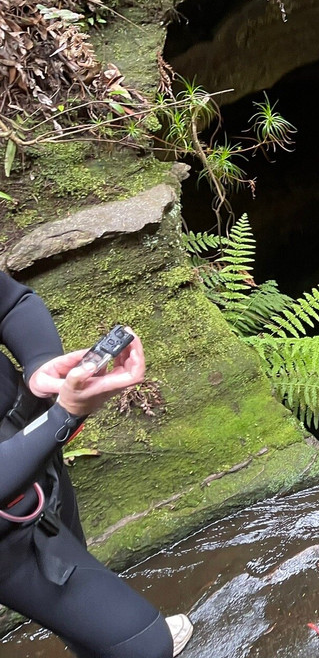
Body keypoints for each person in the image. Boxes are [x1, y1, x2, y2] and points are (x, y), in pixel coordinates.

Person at [0, 271, 192, 657]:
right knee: (149, 645)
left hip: (35, 466)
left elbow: (12, 304)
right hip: (7, 531)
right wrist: (63, 416)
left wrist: (40, 365)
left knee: (94, 617)